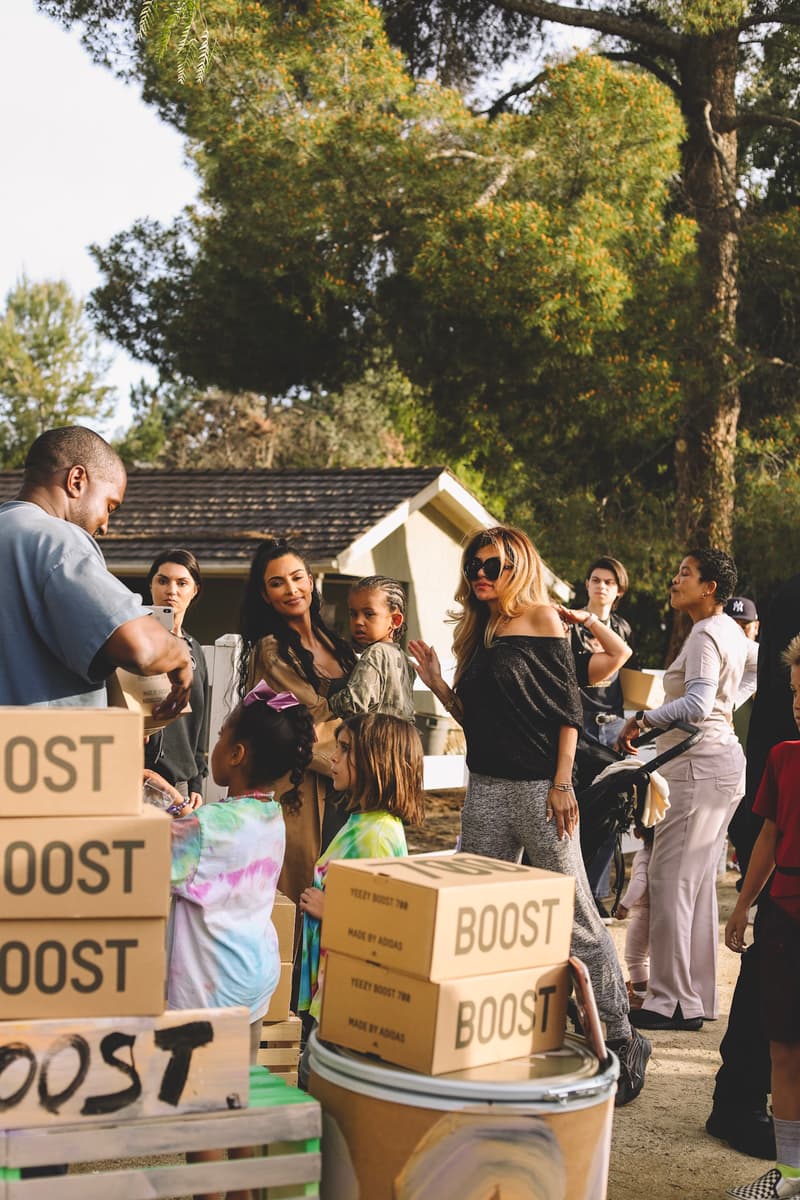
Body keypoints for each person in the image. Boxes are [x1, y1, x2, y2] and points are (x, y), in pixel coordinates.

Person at [409, 524, 650, 1107]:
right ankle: (493, 1036)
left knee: (572, 914)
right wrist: (439, 683)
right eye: (474, 567)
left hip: (541, 789)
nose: (482, 575)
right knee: (481, 916)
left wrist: (563, 783)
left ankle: (619, 1035)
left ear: (518, 565)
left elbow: (567, 710)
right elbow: (480, 718)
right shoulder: (481, 629)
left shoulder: (542, 618)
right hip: (487, 788)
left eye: (493, 565)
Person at [618, 548, 749, 1032]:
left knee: (671, 884)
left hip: (697, 770)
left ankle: (669, 1001)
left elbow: (694, 704)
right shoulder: (731, 632)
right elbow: (752, 672)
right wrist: (727, 705)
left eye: (685, 574)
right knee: (693, 888)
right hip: (721, 765)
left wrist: (641, 721)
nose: (675, 580)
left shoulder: (704, 633)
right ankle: (693, 1000)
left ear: (710, 587)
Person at [168, 681, 315, 1057]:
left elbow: (140, 859)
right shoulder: (271, 815)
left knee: (198, 1100)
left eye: (219, 736)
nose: (213, 745)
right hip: (252, 982)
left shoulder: (204, 829)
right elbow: (217, 849)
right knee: (237, 1093)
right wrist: (182, 809)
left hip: (207, 994)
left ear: (235, 754)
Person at [0, 426, 192, 713]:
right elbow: (141, 647)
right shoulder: (55, 539)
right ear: (76, 480)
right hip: (37, 751)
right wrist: (180, 653)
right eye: (110, 506)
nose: (105, 525)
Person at [709, 577, 800, 1160]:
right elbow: (768, 828)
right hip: (784, 872)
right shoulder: (785, 754)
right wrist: (746, 901)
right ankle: (744, 1107)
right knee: (776, 1024)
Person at [297, 712, 425, 1085]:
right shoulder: (361, 822)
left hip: (346, 1004)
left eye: (345, 749)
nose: (333, 757)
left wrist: (330, 913)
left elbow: (389, 925)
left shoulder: (378, 836)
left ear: (376, 760)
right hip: (333, 995)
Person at [238, 537, 357, 909]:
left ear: (311, 580)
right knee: (304, 895)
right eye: (277, 583)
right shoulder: (271, 650)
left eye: (297, 577)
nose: (291, 589)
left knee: (345, 893)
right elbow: (308, 716)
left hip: (348, 783)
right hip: (303, 789)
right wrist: (363, 742)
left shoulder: (335, 643)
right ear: (265, 594)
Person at [562, 555, 635, 916]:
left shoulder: (622, 628)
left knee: (612, 808)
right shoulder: (570, 624)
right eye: (595, 579)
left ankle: (596, 892)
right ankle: (574, 892)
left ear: (619, 590)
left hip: (614, 724)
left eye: (608, 581)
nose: (601, 586)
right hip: (582, 723)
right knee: (579, 805)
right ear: (587, 584)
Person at [144, 550, 210, 808]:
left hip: (182, 784)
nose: (171, 590)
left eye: (182, 583)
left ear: (194, 590)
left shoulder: (195, 651)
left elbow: (200, 722)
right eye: (162, 580)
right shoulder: (132, 644)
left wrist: (196, 782)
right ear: (151, 585)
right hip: (138, 775)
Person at [326, 576, 416, 720]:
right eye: (353, 614)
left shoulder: (376, 653)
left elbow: (354, 703)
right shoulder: (404, 659)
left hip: (373, 738)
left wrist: (326, 698)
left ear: (395, 620)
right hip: (400, 738)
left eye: (369, 614)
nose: (358, 622)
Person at [615, 822, 654, 1009]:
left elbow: (639, 882)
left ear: (638, 833)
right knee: (647, 956)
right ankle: (641, 986)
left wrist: (624, 904)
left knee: (635, 956)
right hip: (657, 911)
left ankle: (639, 994)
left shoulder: (643, 855)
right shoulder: (660, 854)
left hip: (643, 912)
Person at [725, 596, 760, 753]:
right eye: (733, 627)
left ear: (756, 627)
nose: (738, 634)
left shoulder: (770, 673)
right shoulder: (713, 673)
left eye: (745, 627)